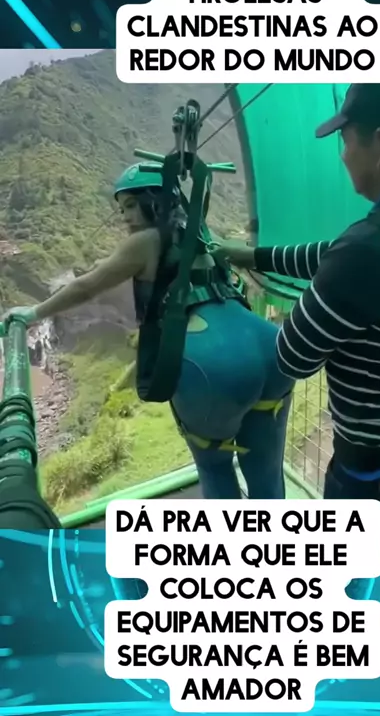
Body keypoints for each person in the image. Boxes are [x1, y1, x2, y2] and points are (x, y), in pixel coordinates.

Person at [222, 53, 380, 529]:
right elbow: (337, 257)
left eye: (345, 140)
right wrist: (253, 256)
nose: (342, 155)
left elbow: (293, 357)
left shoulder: (373, 248)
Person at [3, 163, 293, 501]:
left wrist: (34, 312)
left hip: (212, 364)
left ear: (155, 201)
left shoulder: (144, 242)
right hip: (270, 346)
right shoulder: (198, 230)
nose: (125, 216)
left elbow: (86, 287)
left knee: (215, 468)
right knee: (266, 471)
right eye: (122, 208)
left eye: (130, 205)